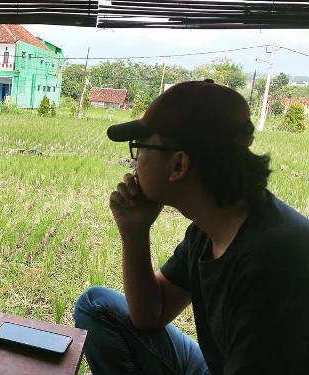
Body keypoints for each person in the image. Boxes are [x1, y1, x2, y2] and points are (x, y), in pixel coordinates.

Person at [73, 79, 309, 375]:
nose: (134, 163)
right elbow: (150, 315)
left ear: (178, 165)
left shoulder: (275, 263)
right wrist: (134, 230)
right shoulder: (209, 227)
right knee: (97, 305)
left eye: (140, 148)